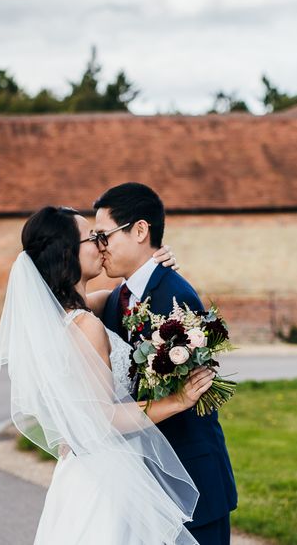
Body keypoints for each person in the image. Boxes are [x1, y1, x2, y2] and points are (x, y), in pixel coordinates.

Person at [0, 206, 216, 544]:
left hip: (79, 472)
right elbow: (104, 417)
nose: (101, 245)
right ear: (68, 252)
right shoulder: (85, 326)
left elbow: (124, 298)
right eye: (92, 238)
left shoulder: (66, 316)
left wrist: (152, 267)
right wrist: (177, 400)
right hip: (106, 478)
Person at [94, 182, 237, 545]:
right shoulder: (118, 300)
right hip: (146, 479)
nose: (100, 247)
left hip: (192, 477)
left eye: (104, 236)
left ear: (140, 230)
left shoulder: (175, 295)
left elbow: (191, 391)